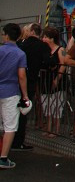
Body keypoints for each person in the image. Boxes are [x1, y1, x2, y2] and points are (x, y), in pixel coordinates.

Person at [13, 22, 49, 151]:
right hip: (31, 81)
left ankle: (12, 140)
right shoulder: (42, 46)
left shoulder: (20, 46)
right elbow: (49, 62)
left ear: (32, 31)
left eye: (27, 30)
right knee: (23, 112)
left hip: (14, 82)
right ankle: (18, 141)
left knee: (12, 112)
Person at [0, 23, 29, 168]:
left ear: (5, 35)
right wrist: (25, 95)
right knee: (10, 126)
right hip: (11, 92)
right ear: (18, 37)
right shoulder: (20, 54)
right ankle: (3, 158)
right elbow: (22, 76)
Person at [40, 26, 68, 137]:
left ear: (52, 38)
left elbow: (64, 64)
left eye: (46, 37)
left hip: (58, 81)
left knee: (57, 105)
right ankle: (48, 127)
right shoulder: (44, 50)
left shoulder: (61, 49)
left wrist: (57, 78)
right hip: (46, 79)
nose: (43, 39)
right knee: (46, 104)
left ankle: (56, 129)